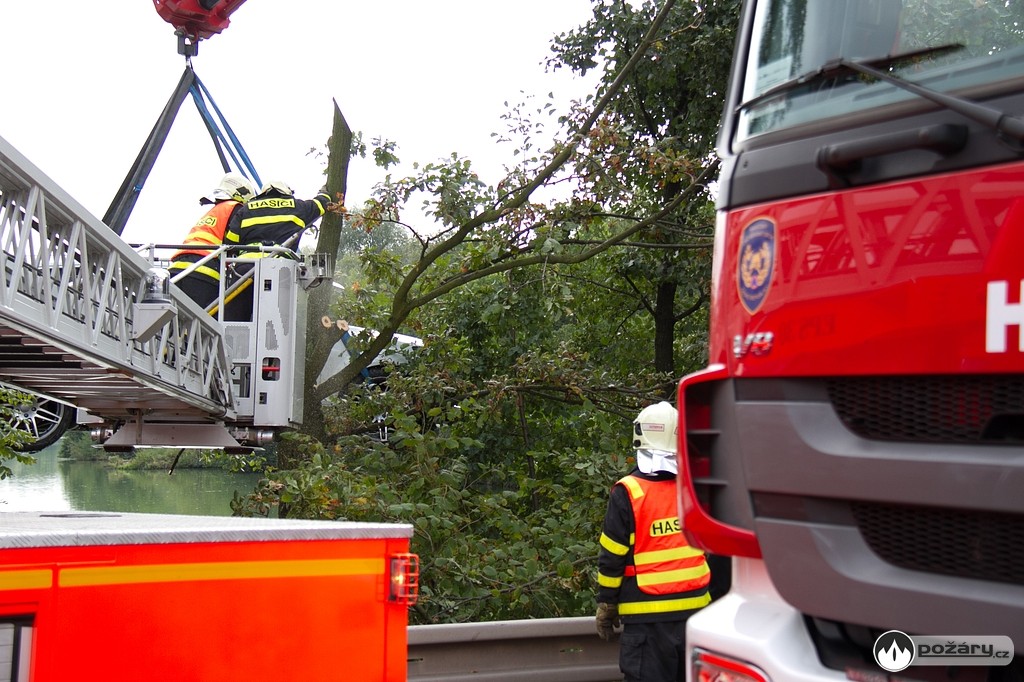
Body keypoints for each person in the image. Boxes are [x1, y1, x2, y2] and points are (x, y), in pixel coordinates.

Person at [595, 401, 711, 682]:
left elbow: (612, 558)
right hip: (697, 619)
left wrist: (607, 605)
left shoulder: (628, 493)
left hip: (646, 623)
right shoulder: (695, 489)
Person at [222, 180, 332, 321]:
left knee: (235, 319)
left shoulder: (246, 209)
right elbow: (320, 204)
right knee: (276, 322)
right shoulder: (298, 207)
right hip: (280, 271)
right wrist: (324, 193)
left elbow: (231, 242)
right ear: (286, 192)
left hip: (245, 270)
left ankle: (231, 342)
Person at [169, 172, 255, 309]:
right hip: (204, 271)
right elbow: (235, 242)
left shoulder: (215, 211)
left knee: (177, 325)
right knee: (203, 325)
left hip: (177, 268)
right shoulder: (235, 208)